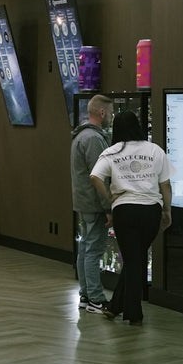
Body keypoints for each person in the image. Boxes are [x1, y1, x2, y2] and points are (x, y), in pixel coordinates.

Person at [90, 111, 175, 325]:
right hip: (150, 210)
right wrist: (167, 210)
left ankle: (132, 312)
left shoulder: (112, 152)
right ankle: (119, 307)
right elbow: (165, 184)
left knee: (132, 259)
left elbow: (95, 176)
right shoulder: (154, 150)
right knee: (135, 259)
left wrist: (110, 196)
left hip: (124, 210)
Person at [71, 94, 114, 314]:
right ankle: (96, 298)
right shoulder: (95, 139)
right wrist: (107, 206)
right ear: (102, 112)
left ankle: (85, 295)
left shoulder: (80, 136)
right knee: (93, 251)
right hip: (94, 203)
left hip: (82, 201)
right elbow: (100, 176)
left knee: (85, 248)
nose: (112, 117)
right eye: (111, 112)